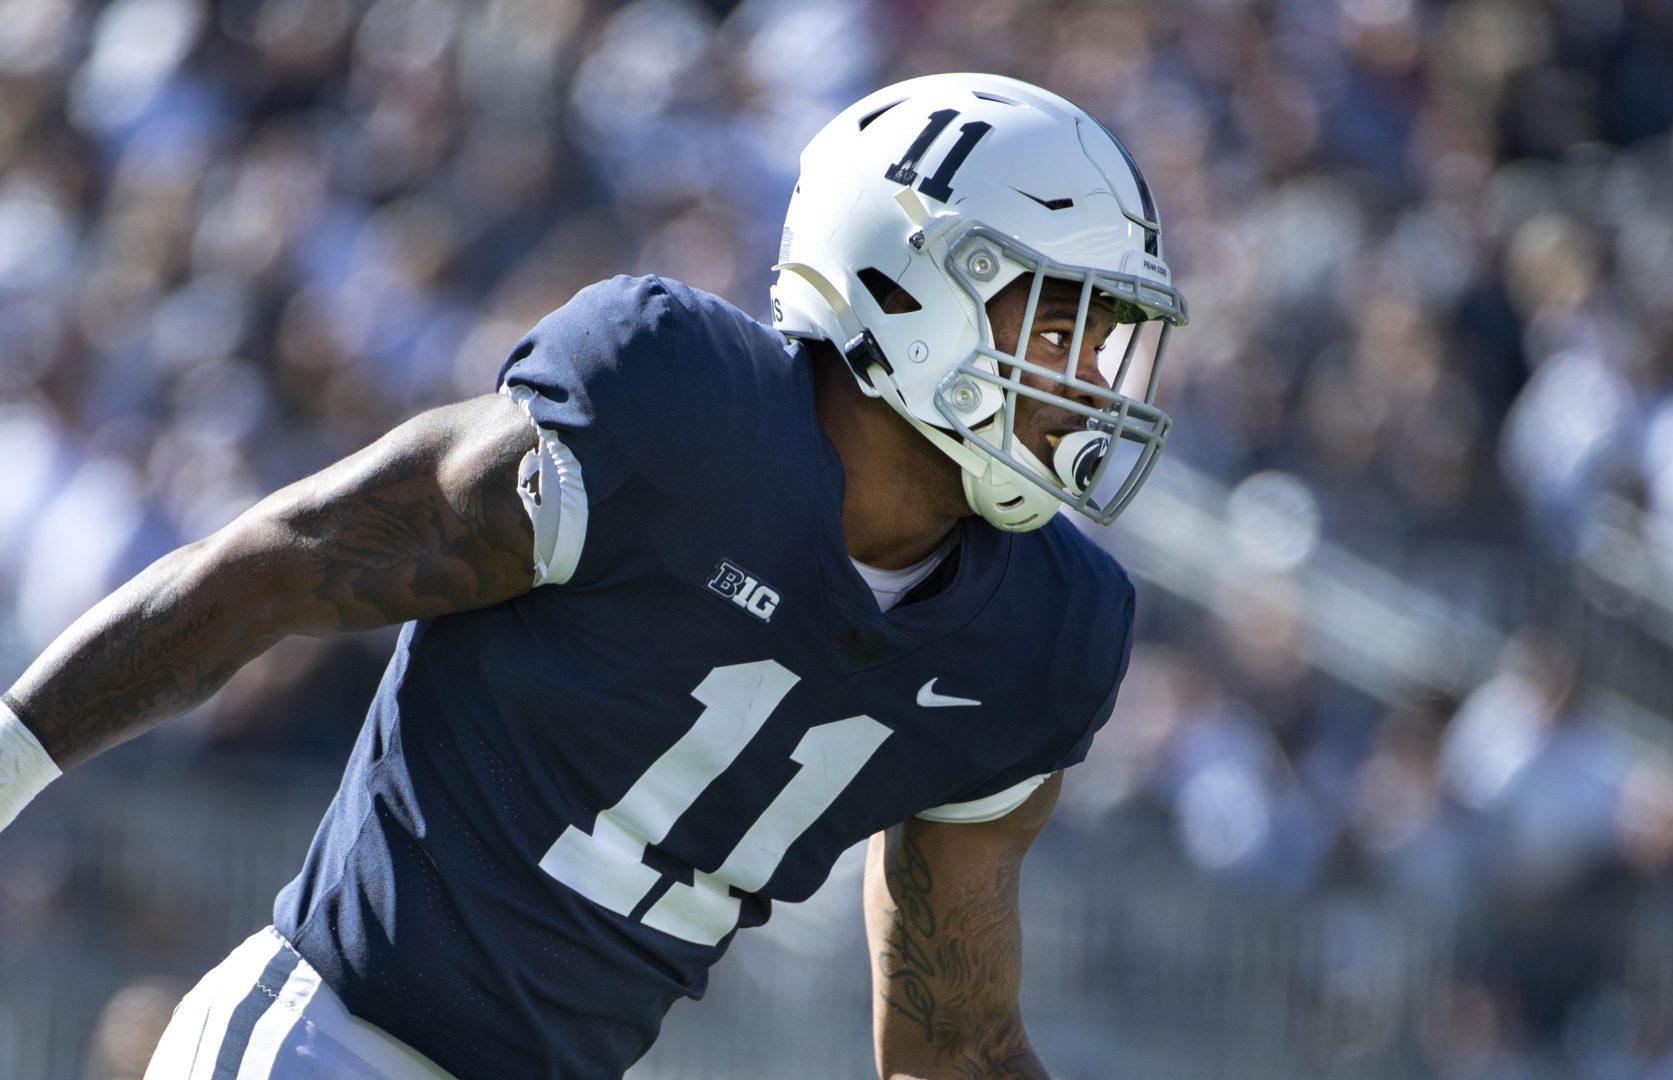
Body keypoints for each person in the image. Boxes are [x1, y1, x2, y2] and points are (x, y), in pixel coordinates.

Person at [0, 72, 1187, 1079]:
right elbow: (282, 563)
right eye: (1064, 321)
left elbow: (955, 1043)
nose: (1092, 377)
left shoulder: (1045, 632)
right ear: (909, 281)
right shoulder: (671, 411)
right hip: (333, 1041)